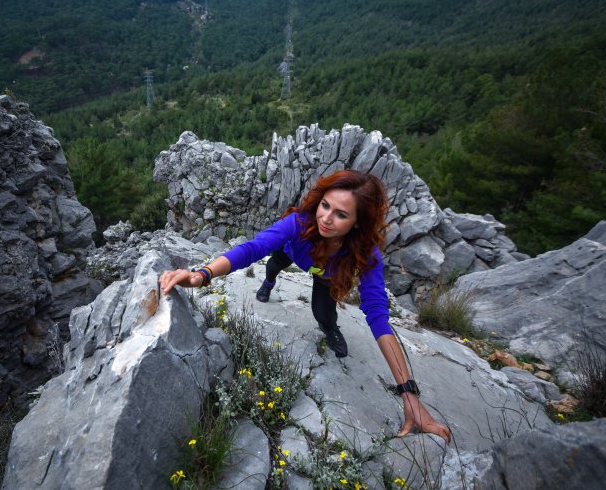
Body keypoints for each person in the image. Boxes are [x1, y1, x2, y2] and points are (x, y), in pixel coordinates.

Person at [159, 170, 451, 442]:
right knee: (272, 266)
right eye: (325, 205)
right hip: (293, 253)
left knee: (324, 315)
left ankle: (331, 329)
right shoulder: (300, 223)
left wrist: (408, 393)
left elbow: (377, 315)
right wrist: (202, 275)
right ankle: (269, 284)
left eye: (340, 214)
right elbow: (252, 248)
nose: (325, 218)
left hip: (324, 276)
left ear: (357, 222)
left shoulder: (365, 253)